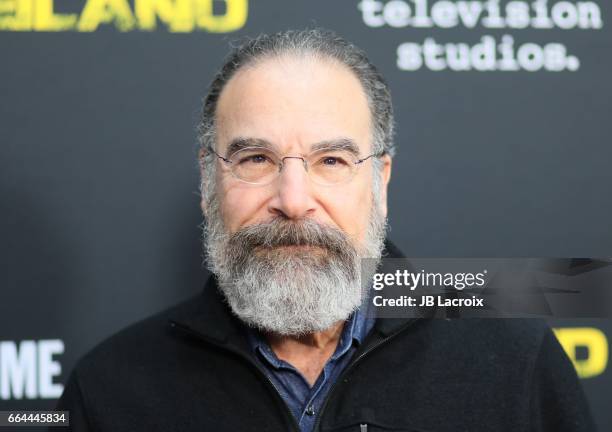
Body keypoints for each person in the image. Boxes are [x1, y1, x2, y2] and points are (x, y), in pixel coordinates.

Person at [56, 29, 595, 432]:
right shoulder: (109, 389)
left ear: (380, 180)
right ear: (208, 180)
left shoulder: (517, 363)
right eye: (256, 159)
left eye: (332, 160)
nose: (293, 202)